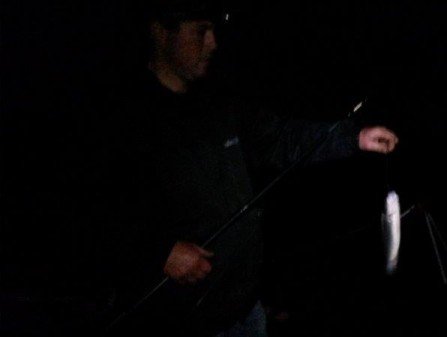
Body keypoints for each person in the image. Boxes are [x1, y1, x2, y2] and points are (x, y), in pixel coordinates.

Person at [99, 1, 399, 336]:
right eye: (201, 31)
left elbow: (280, 139)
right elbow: (95, 214)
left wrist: (353, 137)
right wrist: (159, 252)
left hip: (244, 311)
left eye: (214, 30)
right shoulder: (122, 119)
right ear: (161, 31)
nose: (213, 42)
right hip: (175, 320)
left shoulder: (220, 101)